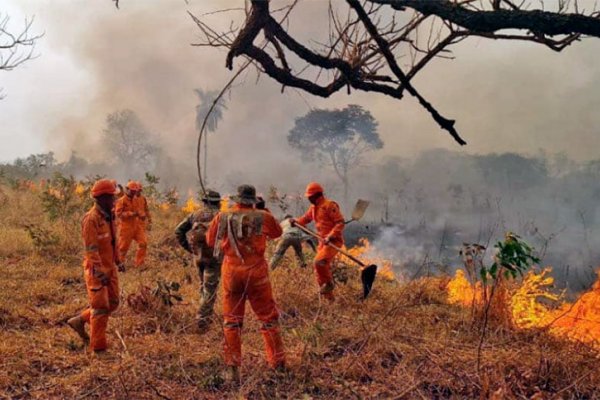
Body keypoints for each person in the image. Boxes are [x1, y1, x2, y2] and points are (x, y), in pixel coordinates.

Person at [206, 184, 285, 382]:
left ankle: (232, 369)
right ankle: (278, 364)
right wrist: (263, 210)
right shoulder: (263, 217)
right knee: (268, 319)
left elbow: (209, 240)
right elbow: (277, 233)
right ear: (253, 200)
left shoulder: (222, 216)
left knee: (232, 321)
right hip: (257, 274)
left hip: (231, 273)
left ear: (237, 199)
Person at [67, 179, 122, 352]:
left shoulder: (109, 215)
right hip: (96, 271)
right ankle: (98, 349)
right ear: (103, 198)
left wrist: (118, 261)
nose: (114, 200)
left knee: (113, 303)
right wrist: (99, 272)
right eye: (111, 197)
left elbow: (113, 241)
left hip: (110, 268)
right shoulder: (91, 220)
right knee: (100, 309)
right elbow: (91, 250)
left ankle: (80, 320)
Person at [174, 190, 223, 332]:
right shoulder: (221, 216)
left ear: (204, 202)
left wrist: (190, 249)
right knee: (210, 290)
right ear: (218, 203)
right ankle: (202, 321)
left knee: (203, 286)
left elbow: (178, 231)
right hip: (214, 257)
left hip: (199, 257)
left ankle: (206, 315)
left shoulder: (195, 215)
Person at [292, 182, 345, 301]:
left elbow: (340, 222)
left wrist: (330, 236)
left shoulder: (329, 205)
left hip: (333, 242)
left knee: (319, 262)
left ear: (317, 195)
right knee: (318, 272)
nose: (309, 199)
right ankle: (329, 299)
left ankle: (330, 284)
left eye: (310, 196)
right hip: (322, 242)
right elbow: (306, 218)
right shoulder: (313, 208)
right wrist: (295, 221)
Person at [115, 181, 148, 268]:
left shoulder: (136, 199)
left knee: (143, 243)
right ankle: (120, 265)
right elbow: (118, 214)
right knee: (122, 249)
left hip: (136, 226)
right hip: (126, 227)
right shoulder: (121, 201)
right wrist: (131, 214)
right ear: (127, 189)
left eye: (134, 191)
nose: (134, 193)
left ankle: (139, 264)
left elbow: (139, 210)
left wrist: (142, 215)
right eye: (132, 191)